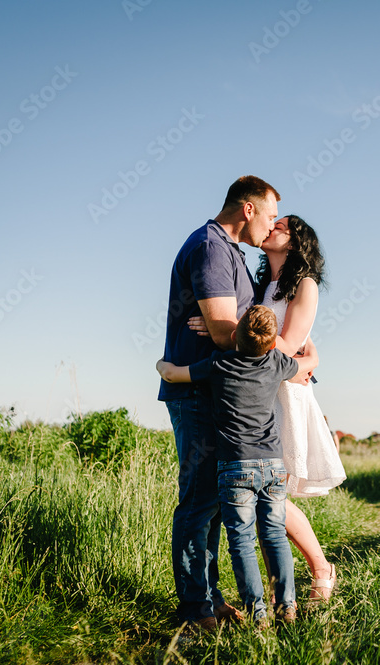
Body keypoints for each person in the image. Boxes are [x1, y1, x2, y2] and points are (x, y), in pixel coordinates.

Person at [190, 214, 345, 602]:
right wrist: (222, 325)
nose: (273, 225)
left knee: (275, 493)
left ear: (295, 241)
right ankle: (303, 578)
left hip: (283, 393)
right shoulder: (264, 284)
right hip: (261, 391)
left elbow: (288, 346)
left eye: (283, 225)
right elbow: (258, 338)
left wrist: (223, 330)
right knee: (271, 494)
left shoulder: (304, 284)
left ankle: (320, 568)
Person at [157, 175, 280, 633]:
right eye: (268, 216)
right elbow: (228, 330)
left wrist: (225, 329)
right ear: (247, 209)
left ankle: (209, 599)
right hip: (195, 394)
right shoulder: (211, 247)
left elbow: (226, 329)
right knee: (198, 502)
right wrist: (229, 331)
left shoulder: (229, 252)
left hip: (211, 392)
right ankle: (194, 611)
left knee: (211, 503)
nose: (270, 228)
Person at [157, 305, 319, 624]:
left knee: (242, 539)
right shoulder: (276, 363)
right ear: (272, 344)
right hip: (273, 465)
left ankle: (257, 612)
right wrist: (310, 345)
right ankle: (287, 606)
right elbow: (310, 363)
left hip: (235, 467)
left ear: (233, 337)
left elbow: (174, 374)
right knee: (273, 534)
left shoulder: (219, 363)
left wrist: (161, 364)